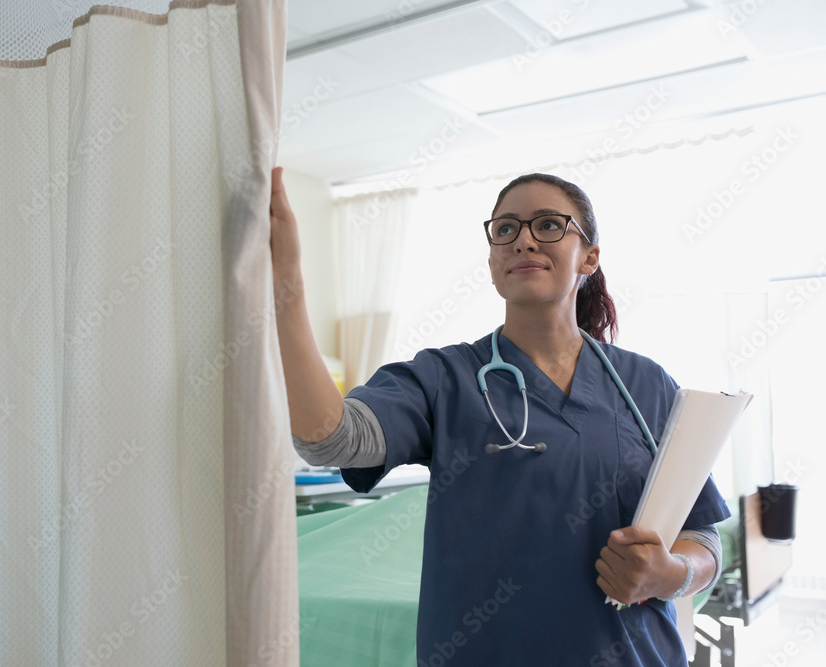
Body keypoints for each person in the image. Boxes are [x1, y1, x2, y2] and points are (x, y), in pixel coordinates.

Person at [270, 166, 730, 665]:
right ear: (492, 261)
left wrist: (673, 574)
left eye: (549, 225)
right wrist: (288, 289)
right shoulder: (444, 378)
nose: (524, 241)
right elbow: (329, 440)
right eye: (506, 229)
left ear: (589, 257)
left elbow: (702, 534)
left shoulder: (646, 384)